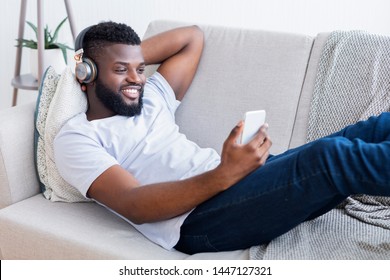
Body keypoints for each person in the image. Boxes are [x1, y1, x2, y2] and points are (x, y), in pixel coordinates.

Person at [54, 21, 390, 254]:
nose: (136, 79)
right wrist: (224, 174)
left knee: (371, 129)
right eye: (120, 70)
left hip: (234, 184)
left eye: (139, 68)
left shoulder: (151, 98)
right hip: (198, 221)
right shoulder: (77, 137)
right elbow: (135, 205)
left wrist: (123, 56)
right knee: (329, 156)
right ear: (86, 74)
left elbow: (192, 38)